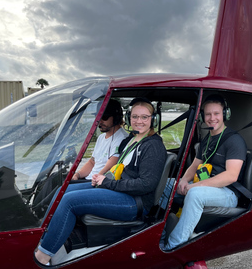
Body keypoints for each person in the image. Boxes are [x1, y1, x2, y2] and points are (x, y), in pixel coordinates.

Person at [35, 97, 167, 265]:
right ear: (128, 118)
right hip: (120, 191)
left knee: (69, 201)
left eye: (144, 117)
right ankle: (46, 238)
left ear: (153, 120)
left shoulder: (153, 146)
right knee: (64, 191)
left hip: (135, 202)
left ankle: (42, 257)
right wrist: (102, 180)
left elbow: (146, 184)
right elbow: (117, 170)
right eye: (134, 117)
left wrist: (107, 183)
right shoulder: (130, 140)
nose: (138, 121)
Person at [163, 94, 247, 250]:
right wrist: (182, 180)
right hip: (205, 186)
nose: (212, 118)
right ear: (203, 116)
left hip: (228, 192)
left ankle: (173, 246)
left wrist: (196, 186)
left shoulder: (234, 140)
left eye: (216, 113)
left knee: (195, 194)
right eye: (208, 114)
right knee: (165, 185)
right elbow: (195, 165)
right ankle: (160, 232)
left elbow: (231, 175)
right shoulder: (207, 140)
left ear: (225, 114)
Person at [72, 99, 128, 181]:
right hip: (90, 179)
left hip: (100, 182)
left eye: (104, 117)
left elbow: (111, 165)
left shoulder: (122, 138)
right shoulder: (101, 138)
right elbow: (92, 162)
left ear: (116, 118)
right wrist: (77, 175)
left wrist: (96, 179)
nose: (100, 121)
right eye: (98, 117)